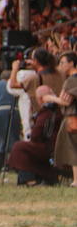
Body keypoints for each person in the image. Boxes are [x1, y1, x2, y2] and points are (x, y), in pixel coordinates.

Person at [8, 85, 62, 185]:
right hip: (55, 147)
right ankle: (30, 178)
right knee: (22, 149)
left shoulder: (47, 112)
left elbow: (36, 135)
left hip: (48, 148)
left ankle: (29, 179)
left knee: (19, 147)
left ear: (41, 99)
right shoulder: (59, 110)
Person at [49, 51, 77, 187]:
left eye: (62, 62)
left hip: (72, 117)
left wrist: (49, 97)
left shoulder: (71, 80)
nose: (60, 66)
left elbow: (65, 101)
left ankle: (76, 180)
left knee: (72, 148)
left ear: (71, 63)